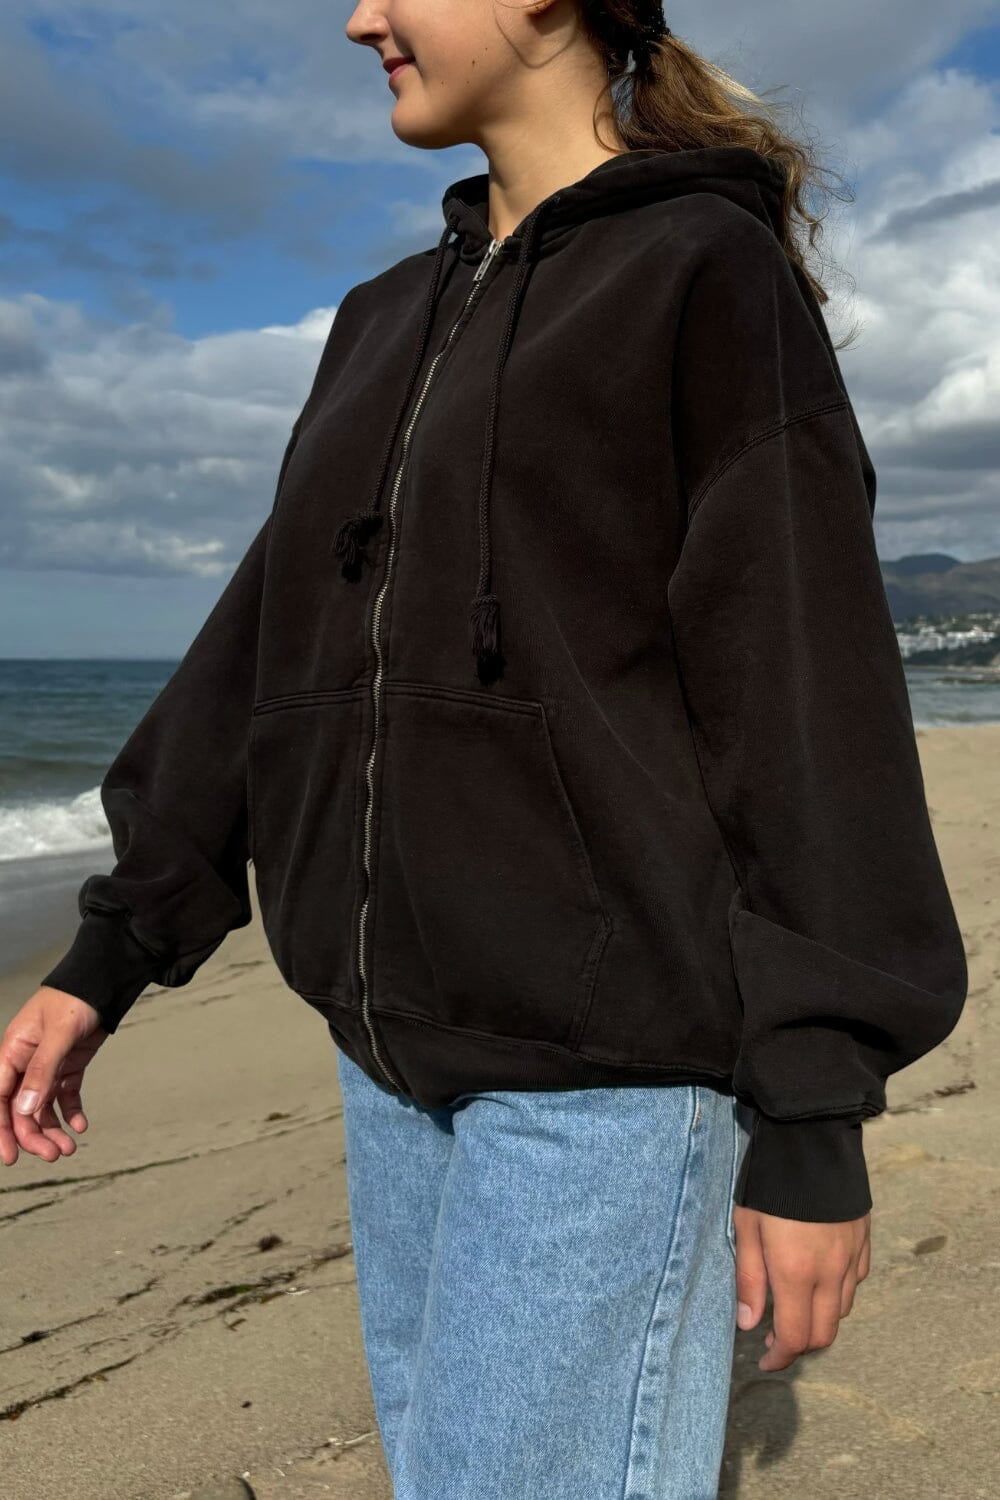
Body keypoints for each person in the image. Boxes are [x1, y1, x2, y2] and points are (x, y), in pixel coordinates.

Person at [0, 3, 968, 1496]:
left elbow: (800, 683)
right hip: (384, 1064)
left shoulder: (704, 272)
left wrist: (814, 1116)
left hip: (608, 1073)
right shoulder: (380, 317)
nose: (359, 17)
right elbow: (266, 648)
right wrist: (110, 953)